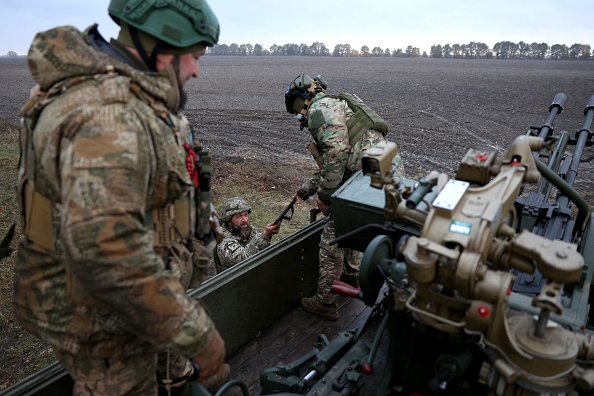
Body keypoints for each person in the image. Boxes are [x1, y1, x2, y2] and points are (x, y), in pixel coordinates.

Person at [13, 1, 229, 395]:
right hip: (104, 324)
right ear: (163, 52)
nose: (197, 70)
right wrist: (197, 336)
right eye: (195, 57)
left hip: (135, 310)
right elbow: (107, 250)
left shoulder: (129, 98)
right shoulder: (110, 117)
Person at [284, 74, 404, 321]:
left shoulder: (319, 109)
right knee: (355, 224)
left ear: (301, 100)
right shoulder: (337, 105)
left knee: (333, 237)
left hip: (369, 179)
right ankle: (353, 276)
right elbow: (334, 162)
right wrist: (306, 191)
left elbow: (336, 155)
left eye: (294, 105)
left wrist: (326, 198)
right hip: (383, 172)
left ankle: (326, 302)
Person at [214, 197, 282, 273]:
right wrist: (265, 235)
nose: (245, 220)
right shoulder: (223, 239)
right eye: (239, 216)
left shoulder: (247, 229)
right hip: (233, 281)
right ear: (229, 220)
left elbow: (261, 252)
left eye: (245, 215)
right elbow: (243, 259)